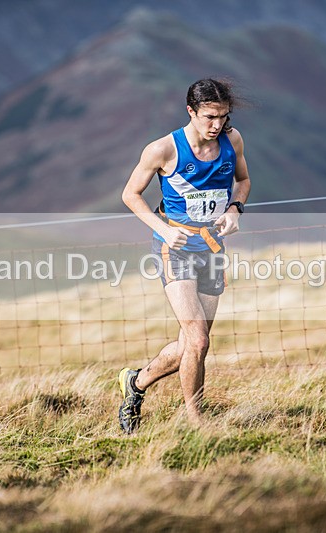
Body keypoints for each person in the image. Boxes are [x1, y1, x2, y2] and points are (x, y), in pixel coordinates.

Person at [118, 78, 251, 433]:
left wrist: (236, 208)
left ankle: (136, 383)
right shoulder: (162, 150)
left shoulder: (231, 140)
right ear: (191, 111)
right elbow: (130, 195)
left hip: (212, 249)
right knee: (199, 339)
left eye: (223, 117)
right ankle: (197, 423)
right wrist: (163, 229)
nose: (217, 125)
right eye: (209, 117)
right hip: (174, 249)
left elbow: (244, 180)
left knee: (189, 347)